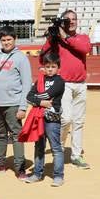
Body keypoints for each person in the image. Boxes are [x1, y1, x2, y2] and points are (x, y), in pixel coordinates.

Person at [39, 9, 92, 169]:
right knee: (66, 118)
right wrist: (51, 38)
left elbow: (85, 49)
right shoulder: (57, 41)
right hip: (64, 84)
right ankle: (59, 149)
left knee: (78, 121)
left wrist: (64, 37)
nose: (71, 22)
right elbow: (42, 57)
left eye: (73, 19)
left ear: (77, 21)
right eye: (68, 20)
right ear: (63, 22)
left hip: (81, 84)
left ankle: (76, 155)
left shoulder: (82, 37)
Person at [0, 26, 32, 179]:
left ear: (14, 39)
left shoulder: (21, 57)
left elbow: (27, 83)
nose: (6, 43)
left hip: (13, 103)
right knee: (0, 135)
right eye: (3, 40)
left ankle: (19, 167)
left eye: (9, 39)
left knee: (17, 135)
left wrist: (23, 106)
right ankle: (0, 163)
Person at [23, 53, 66, 186]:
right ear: (44, 67)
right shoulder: (40, 80)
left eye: (53, 66)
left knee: (56, 148)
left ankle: (58, 176)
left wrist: (36, 99)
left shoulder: (60, 81)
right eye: (47, 66)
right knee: (39, 146)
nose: (50, 69)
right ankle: (37, 173)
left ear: (58, 68)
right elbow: (28, 96)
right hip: (39, 117)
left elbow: (47, 94)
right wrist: (41, 102)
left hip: (52, 120)